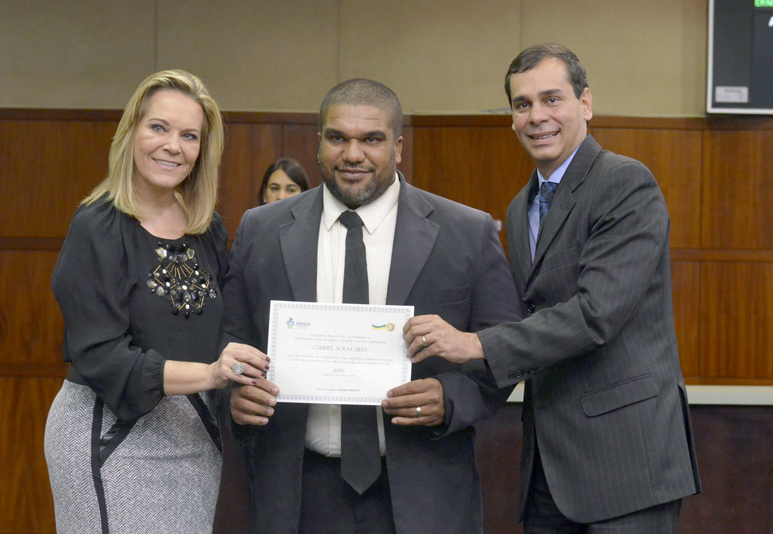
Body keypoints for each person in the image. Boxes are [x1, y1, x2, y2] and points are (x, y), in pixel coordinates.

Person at [404, 44, 701, 532]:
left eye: (551, 99)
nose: (537, 116)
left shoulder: (625, 183)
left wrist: (475, 343)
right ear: (512, 119)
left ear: (585, 103)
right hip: (548, 468)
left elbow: (595, 315)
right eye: (522, 104)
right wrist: (447, 388)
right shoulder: (520, 207)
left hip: (627, 464)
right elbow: (522, 321)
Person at [220, 78, 522, 533]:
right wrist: (236, 394)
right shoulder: (260, 230)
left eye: (372, 139)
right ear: (319, 143)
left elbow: (505, 349)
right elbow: (230, 341)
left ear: (397, 148)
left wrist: (450, 399)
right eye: (337, 138)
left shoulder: (466, 232)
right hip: (298, 493)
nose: (353, 154)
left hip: (425, 494)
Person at [44, 70, 268, 534]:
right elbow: (101, 355)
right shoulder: (97, 226)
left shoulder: (208, 229)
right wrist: (209, 374)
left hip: (194, 435)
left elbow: (224, 330)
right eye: (159, 128)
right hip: (110, 437)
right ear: (131, 132)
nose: (173, 146)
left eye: (189, 135)